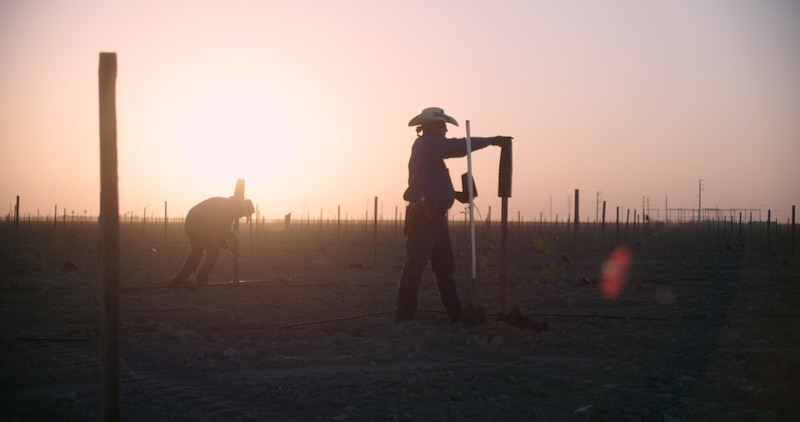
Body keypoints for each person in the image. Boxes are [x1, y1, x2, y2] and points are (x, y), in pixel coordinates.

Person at [395, 107, 512, 323]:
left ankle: (455, 313)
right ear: (430, 127)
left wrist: (456, 195)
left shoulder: (432, 155)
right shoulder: (426, 144)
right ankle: (404, 317)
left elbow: (432, 185)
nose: (445, 129)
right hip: (425, 217)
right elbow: (459, 148)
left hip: (436, 217)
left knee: (445, 267)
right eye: (442, 125)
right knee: (415, 267)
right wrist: (491, 140)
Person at [169, 196, 255, 286]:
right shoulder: (231, 209)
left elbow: (219, 232)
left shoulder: (227, 203)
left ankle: (180, 278)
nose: (241, 216)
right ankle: (202, 277)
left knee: (197, 252)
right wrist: (235, 234)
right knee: (214, 250)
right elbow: (222, 232)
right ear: (241, 208)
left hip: (190, 222)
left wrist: (225, 243)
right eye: (243, 214)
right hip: (199, 225)